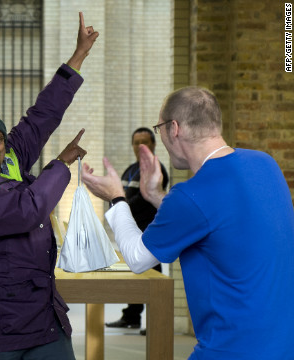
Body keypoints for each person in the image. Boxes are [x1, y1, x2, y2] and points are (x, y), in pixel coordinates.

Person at [81, 87, 294, 359]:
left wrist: (116, 198)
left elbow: (137, 258)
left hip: (229, 351)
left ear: (174, 128)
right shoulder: (265, 164)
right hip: (283, 348)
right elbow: (214, 221)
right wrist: (157, 196)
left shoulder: (192, 195)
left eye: (160, 129)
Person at [0, 11, 98, 359]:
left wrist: (79, 55)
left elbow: (42, 115)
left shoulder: (9, 159)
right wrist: (61, 164)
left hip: (39, 315)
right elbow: (24, 209)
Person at [105, 127, 168, 332]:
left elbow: (137, 200)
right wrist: (117, 204)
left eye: (145, 142)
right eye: (136, 142)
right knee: (135, 277)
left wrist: (120, 205)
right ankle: (131, 316)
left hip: (148, 235)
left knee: (152, 280)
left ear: (153, 144)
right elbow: (116, 194)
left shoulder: (157, 170)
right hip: (131, 232)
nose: (140, 146)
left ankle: (155, 322)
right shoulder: (131, 169)